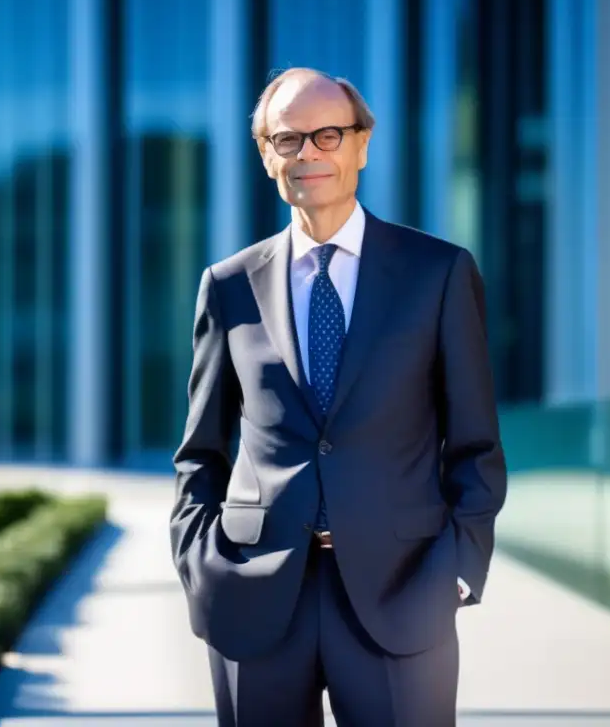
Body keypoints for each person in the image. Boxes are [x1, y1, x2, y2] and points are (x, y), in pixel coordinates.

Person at [168, 66, 508, 726]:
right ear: (267, 156)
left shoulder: (438, 273)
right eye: (288, 139)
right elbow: (200, 452)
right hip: (254, 598)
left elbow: (475, 442)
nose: (309, 154)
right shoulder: (229, 285)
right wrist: (198, 562)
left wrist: (459, 568)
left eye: (327, 134)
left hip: (403, 591)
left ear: (361, 144)